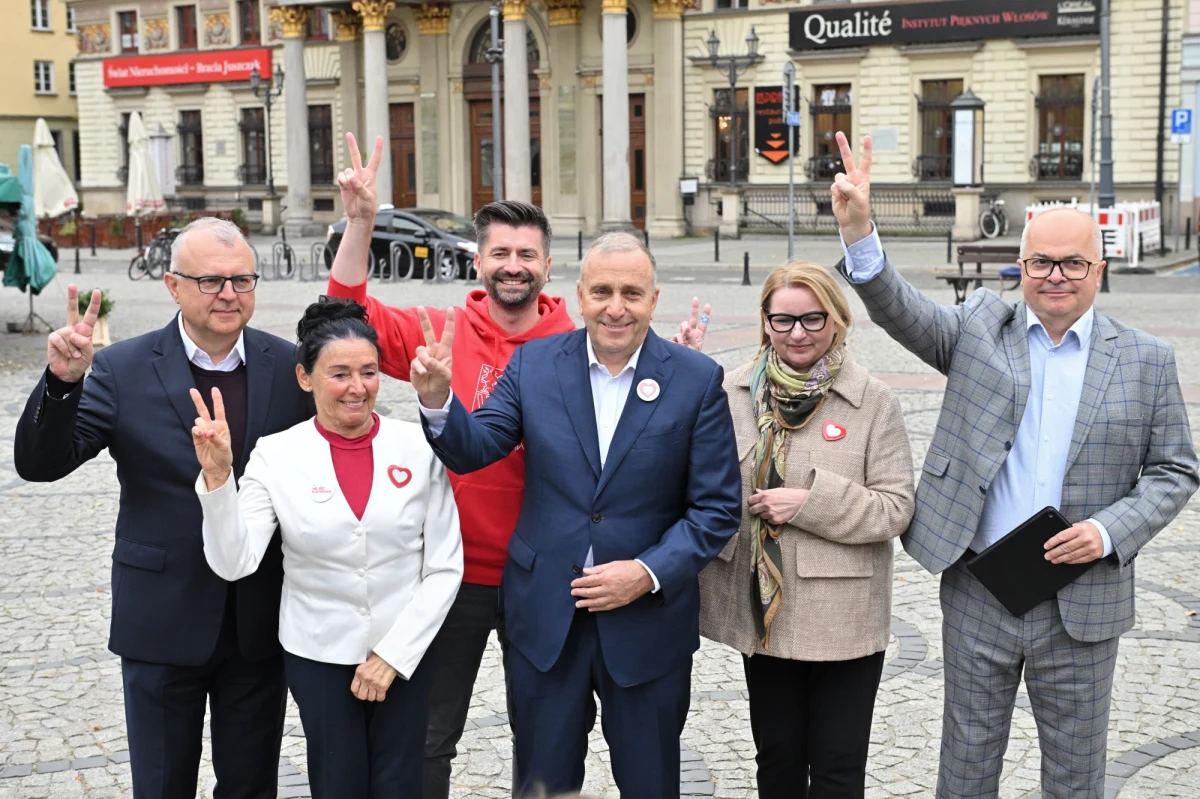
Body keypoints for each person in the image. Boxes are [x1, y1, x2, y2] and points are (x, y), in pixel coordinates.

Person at [325, 133, 711, 798]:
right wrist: (360, 221)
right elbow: (342, 316)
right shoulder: (437, 331)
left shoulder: (578, 335)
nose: (512, 264)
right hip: (458, 570)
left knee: (545, 744)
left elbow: (654, 432)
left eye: (525, 253)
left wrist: (664, 366)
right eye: (499, 251)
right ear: (478, 260)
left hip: (556, 580)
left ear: (549, 266)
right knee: (429, 736)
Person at [828, 132, 1199, 798]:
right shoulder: (979, 330)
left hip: (1081, 600)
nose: (1055, 275)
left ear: (1100, 269)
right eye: (1040, 262)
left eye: (1072, 263)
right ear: (1021, 267)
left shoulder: (1146, 359)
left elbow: (1175, 469)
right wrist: (860, 230)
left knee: (1076, 775)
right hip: (981, 587)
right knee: (965, 770)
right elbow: (900, 310)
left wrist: (1110, 531)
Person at [408, 231, 741, 798]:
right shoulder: (535, 364)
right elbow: (478, 446)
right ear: (580, 296)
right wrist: (439, 401)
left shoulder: (695, 379)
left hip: (646, 624)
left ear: (653, 300)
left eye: (632, 293)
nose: (616, 307)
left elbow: (716, 508)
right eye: (603, 291)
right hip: (546, 619)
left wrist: (646, 572)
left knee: (650, 782)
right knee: (543, 784)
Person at [13, 217, 314, 799]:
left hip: (259, 618)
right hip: (160, 616)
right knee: (161, 784)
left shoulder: (291, 367)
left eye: (242, 280)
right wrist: (60, 385)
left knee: (251, 786)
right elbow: (41, 463)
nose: (229, 294)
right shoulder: (123, 368)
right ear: (172, 286)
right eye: (210, 281)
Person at [191, 298, 463, 799]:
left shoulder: (418, 446)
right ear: (304, 377)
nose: (357, 388)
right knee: (337, 786)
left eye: (369, 372)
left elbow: (445, 566)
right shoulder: (276, 454)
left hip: (405, 654)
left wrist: (393, 654)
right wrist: (217, 478)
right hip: (317, 653)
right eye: (338, 374)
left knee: (402, 785)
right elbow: (235, 560)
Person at [698, 262, 915, 798]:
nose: (798, 333)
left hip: (843, 619)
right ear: (766, 322)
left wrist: (808, 503)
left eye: (813, 320)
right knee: (776, 761)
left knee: (838, 769)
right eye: (784, 320)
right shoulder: (732, 394)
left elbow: (895, 508)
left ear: (838, 320)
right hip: (764, 615)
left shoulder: (872, 402)